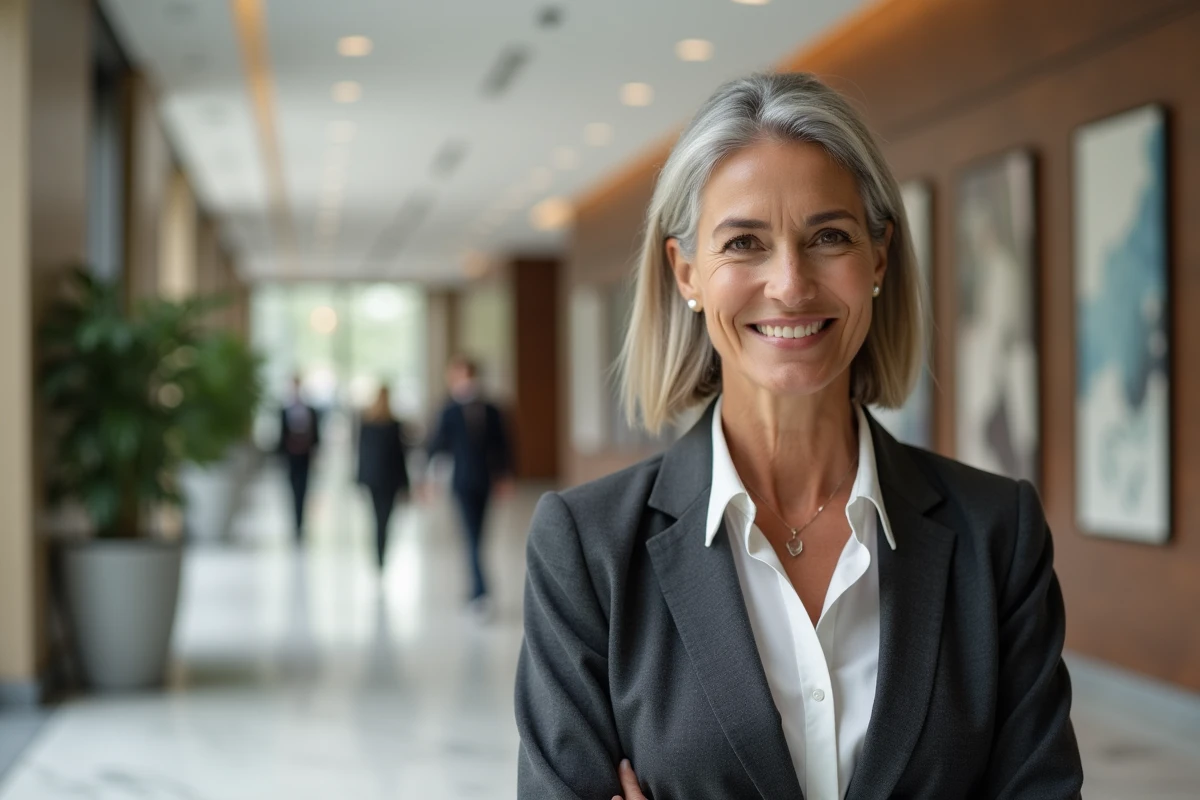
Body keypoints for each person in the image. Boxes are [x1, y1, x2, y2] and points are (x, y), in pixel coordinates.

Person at [515, 73, 1083, 800]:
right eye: (745, 242)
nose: (789, 283)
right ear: (686, 272)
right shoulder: (587, 548)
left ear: (877, 259)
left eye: (829, 237)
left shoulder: (996, 532)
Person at [424, 356, 514, 615]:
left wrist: (505, 476)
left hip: (485, 480)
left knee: (480, 535)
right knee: (471, 536)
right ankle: (480, 591)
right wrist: (428, 480)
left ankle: (477, 590)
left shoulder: (492, 409)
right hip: (461, 482)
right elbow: (436, 447)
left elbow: (504, 445)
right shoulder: (448, 410)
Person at [356, 385, 411, 570]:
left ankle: (379, 552)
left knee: (378, 517)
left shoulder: (372, 424)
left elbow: (361, 454)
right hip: (388, 479)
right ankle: (380, 552)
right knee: (384, 518)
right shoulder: (389, 424)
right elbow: (400, 456)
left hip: (376, 479)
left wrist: (360, 478)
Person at [278, 375, 320, 544]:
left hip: (305, 454)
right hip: (291, 455)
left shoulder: (309, 409)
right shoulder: (284, 409)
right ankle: (295, 522)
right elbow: (281, 434)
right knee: (292, 488)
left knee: (303, 488)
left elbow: (316, 433)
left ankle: (301, 522)